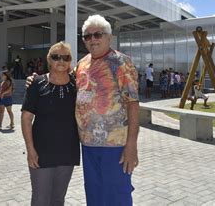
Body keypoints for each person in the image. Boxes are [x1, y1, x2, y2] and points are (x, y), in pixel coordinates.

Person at [26, 15, 140, 205]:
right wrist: (36, 80)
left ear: (109, 37)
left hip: (115, 146)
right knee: (94, 195)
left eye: (98, 35)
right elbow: (59, 76)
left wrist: (132, 145)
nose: (93, 39)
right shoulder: (82, 64)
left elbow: (133, 104)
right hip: (87, 145)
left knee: (116, 195)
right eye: (87, 36)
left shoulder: (121, 63)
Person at [22, 42, 79, 206]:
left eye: (66, 57)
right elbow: (26, 118)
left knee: (58, 199)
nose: (61, 60)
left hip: (68, 151)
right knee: (41, 200)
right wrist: (30, 149)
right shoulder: (36, 83)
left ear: (70, 61)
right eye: (56, 57)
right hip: (41, 152)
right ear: (49, 59)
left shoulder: (78, 84)